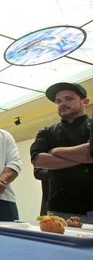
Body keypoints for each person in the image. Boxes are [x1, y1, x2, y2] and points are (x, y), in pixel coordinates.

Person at [30, 82, 93, 223]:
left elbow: (91, 153)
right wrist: (84, 156)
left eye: (69, 98)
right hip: (57, 211)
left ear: (85, 101)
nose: (63, 103)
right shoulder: (46, 132)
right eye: (59, 101)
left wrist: (55, 151)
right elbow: (38, 160)